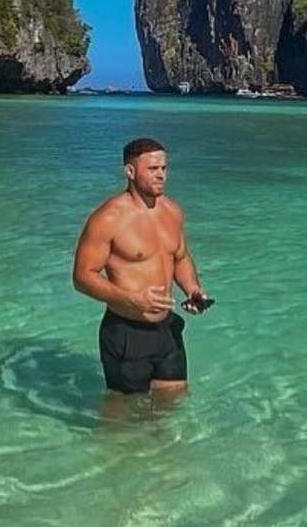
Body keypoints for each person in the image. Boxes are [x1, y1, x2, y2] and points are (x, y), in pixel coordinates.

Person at [73, 138, 210, 395]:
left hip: (166, 329)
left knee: (172, 401)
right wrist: (131, 299)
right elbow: (82, 277)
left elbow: (179, 257)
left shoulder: (172, 210)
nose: (161, 175)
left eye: (164, 168)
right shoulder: (109, 218)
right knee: (125, 418)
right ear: (130, 171)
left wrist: (193, 289)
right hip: (127, 332)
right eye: (153, 169)